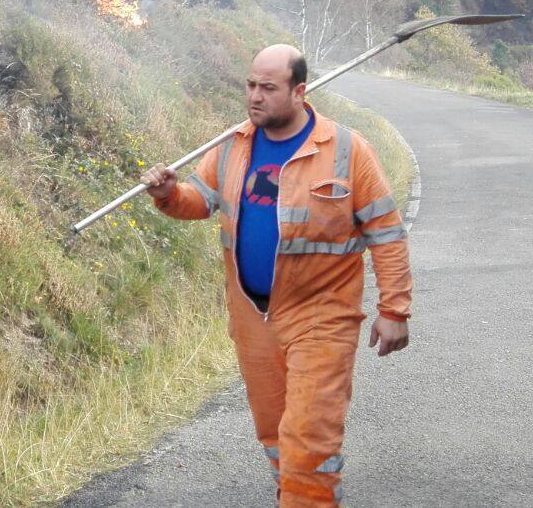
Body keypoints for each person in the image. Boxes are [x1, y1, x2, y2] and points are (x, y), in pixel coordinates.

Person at [141, 44, 411, 508]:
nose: (254, 97)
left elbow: (385, 233)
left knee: (308, 437)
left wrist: (395, 309)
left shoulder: (347, 150)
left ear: (299, 91)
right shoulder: (233, 145)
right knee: (273, 430)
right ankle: (294, 495)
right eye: (250, 85)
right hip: (253, 317)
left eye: (268, 87)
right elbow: (200, 202)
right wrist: (169, 195)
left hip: (322, 315)